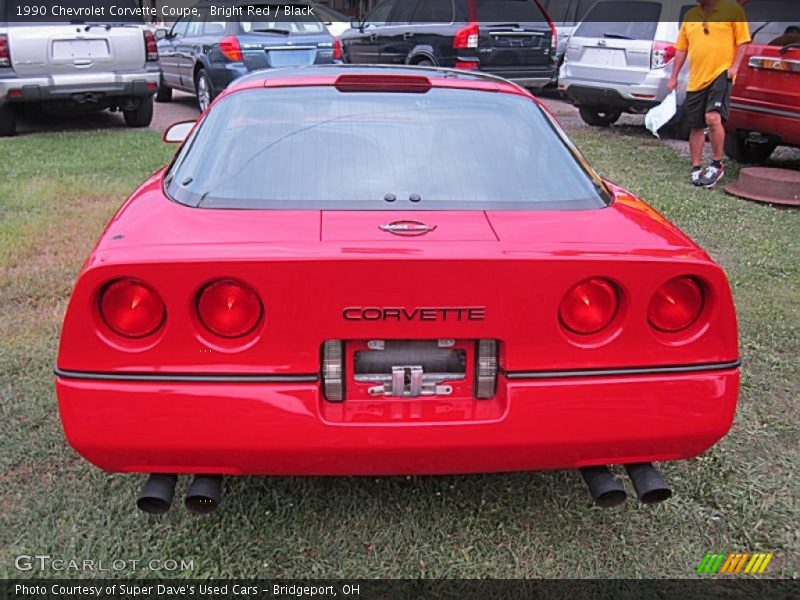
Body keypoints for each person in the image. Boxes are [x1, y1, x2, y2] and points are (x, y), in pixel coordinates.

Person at [668, 0, 751, 188]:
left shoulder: (732, 9)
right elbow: (681, 48)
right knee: (695, 125)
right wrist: (673, 77)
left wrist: (734, 67)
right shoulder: (691, 16)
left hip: (721, 74)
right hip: (696, 80)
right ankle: (696, 167)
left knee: (712, 118)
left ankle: (716, 164)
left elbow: (743, 42)